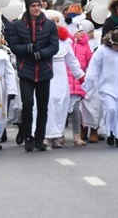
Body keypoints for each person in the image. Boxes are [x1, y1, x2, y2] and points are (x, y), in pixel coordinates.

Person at [7, 0, 59, 152]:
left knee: (43, 106)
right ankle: (27, 136)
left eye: (38, 5)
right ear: (28, 8)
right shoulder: (18, 26)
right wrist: (26, 49)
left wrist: (42, 54)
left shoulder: (49, 25)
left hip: (44, 70)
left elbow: (54, 46)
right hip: (26, 70)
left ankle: (39, 138)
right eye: (33, 6)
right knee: (28, 103)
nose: (36, 8)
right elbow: (14, 46)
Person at [43, 10, 85, 149]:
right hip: (47, 72)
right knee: (47, 103)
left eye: (57, 21)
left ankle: (56, 135)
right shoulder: (41, 38)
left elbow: (71, 60)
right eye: (51, 21)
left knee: (60, 103)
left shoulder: (65, 40)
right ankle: (44, 135)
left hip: (61, 74)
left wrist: (80, 76)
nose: (55, 24)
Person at [68, 20, 93, 146]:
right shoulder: (66, 45)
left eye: (83, 31)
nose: (82, 34)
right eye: (79, 31)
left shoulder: (85, 46)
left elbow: (90, 61)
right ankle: (58, 135)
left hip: (78, 82)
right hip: (66, 82)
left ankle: (76, 135)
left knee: (76, 110)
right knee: (62, 111)